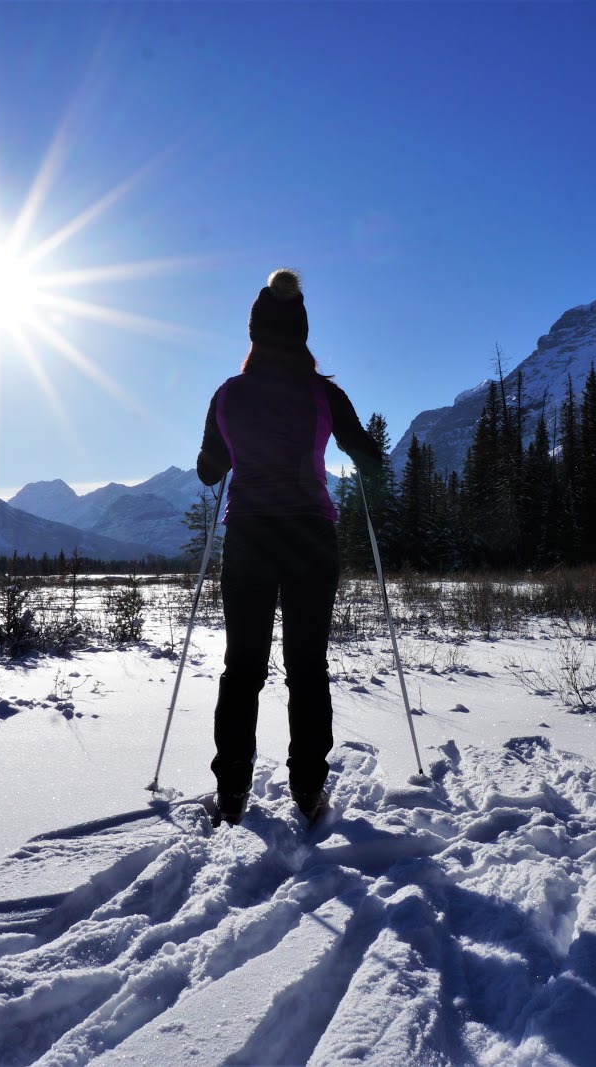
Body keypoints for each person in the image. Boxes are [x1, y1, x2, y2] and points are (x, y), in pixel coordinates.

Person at [195, 268, 384, 825]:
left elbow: (209, 471)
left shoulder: (229, 395)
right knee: (307, 666)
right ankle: (308, 789)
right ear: (301, 332)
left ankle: (233, 789)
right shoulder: (324, 393)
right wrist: (360, 461)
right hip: (309, 536)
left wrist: (235, 451)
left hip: (249, 535)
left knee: (242, 667)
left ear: (254, 333)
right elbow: (368, 456)